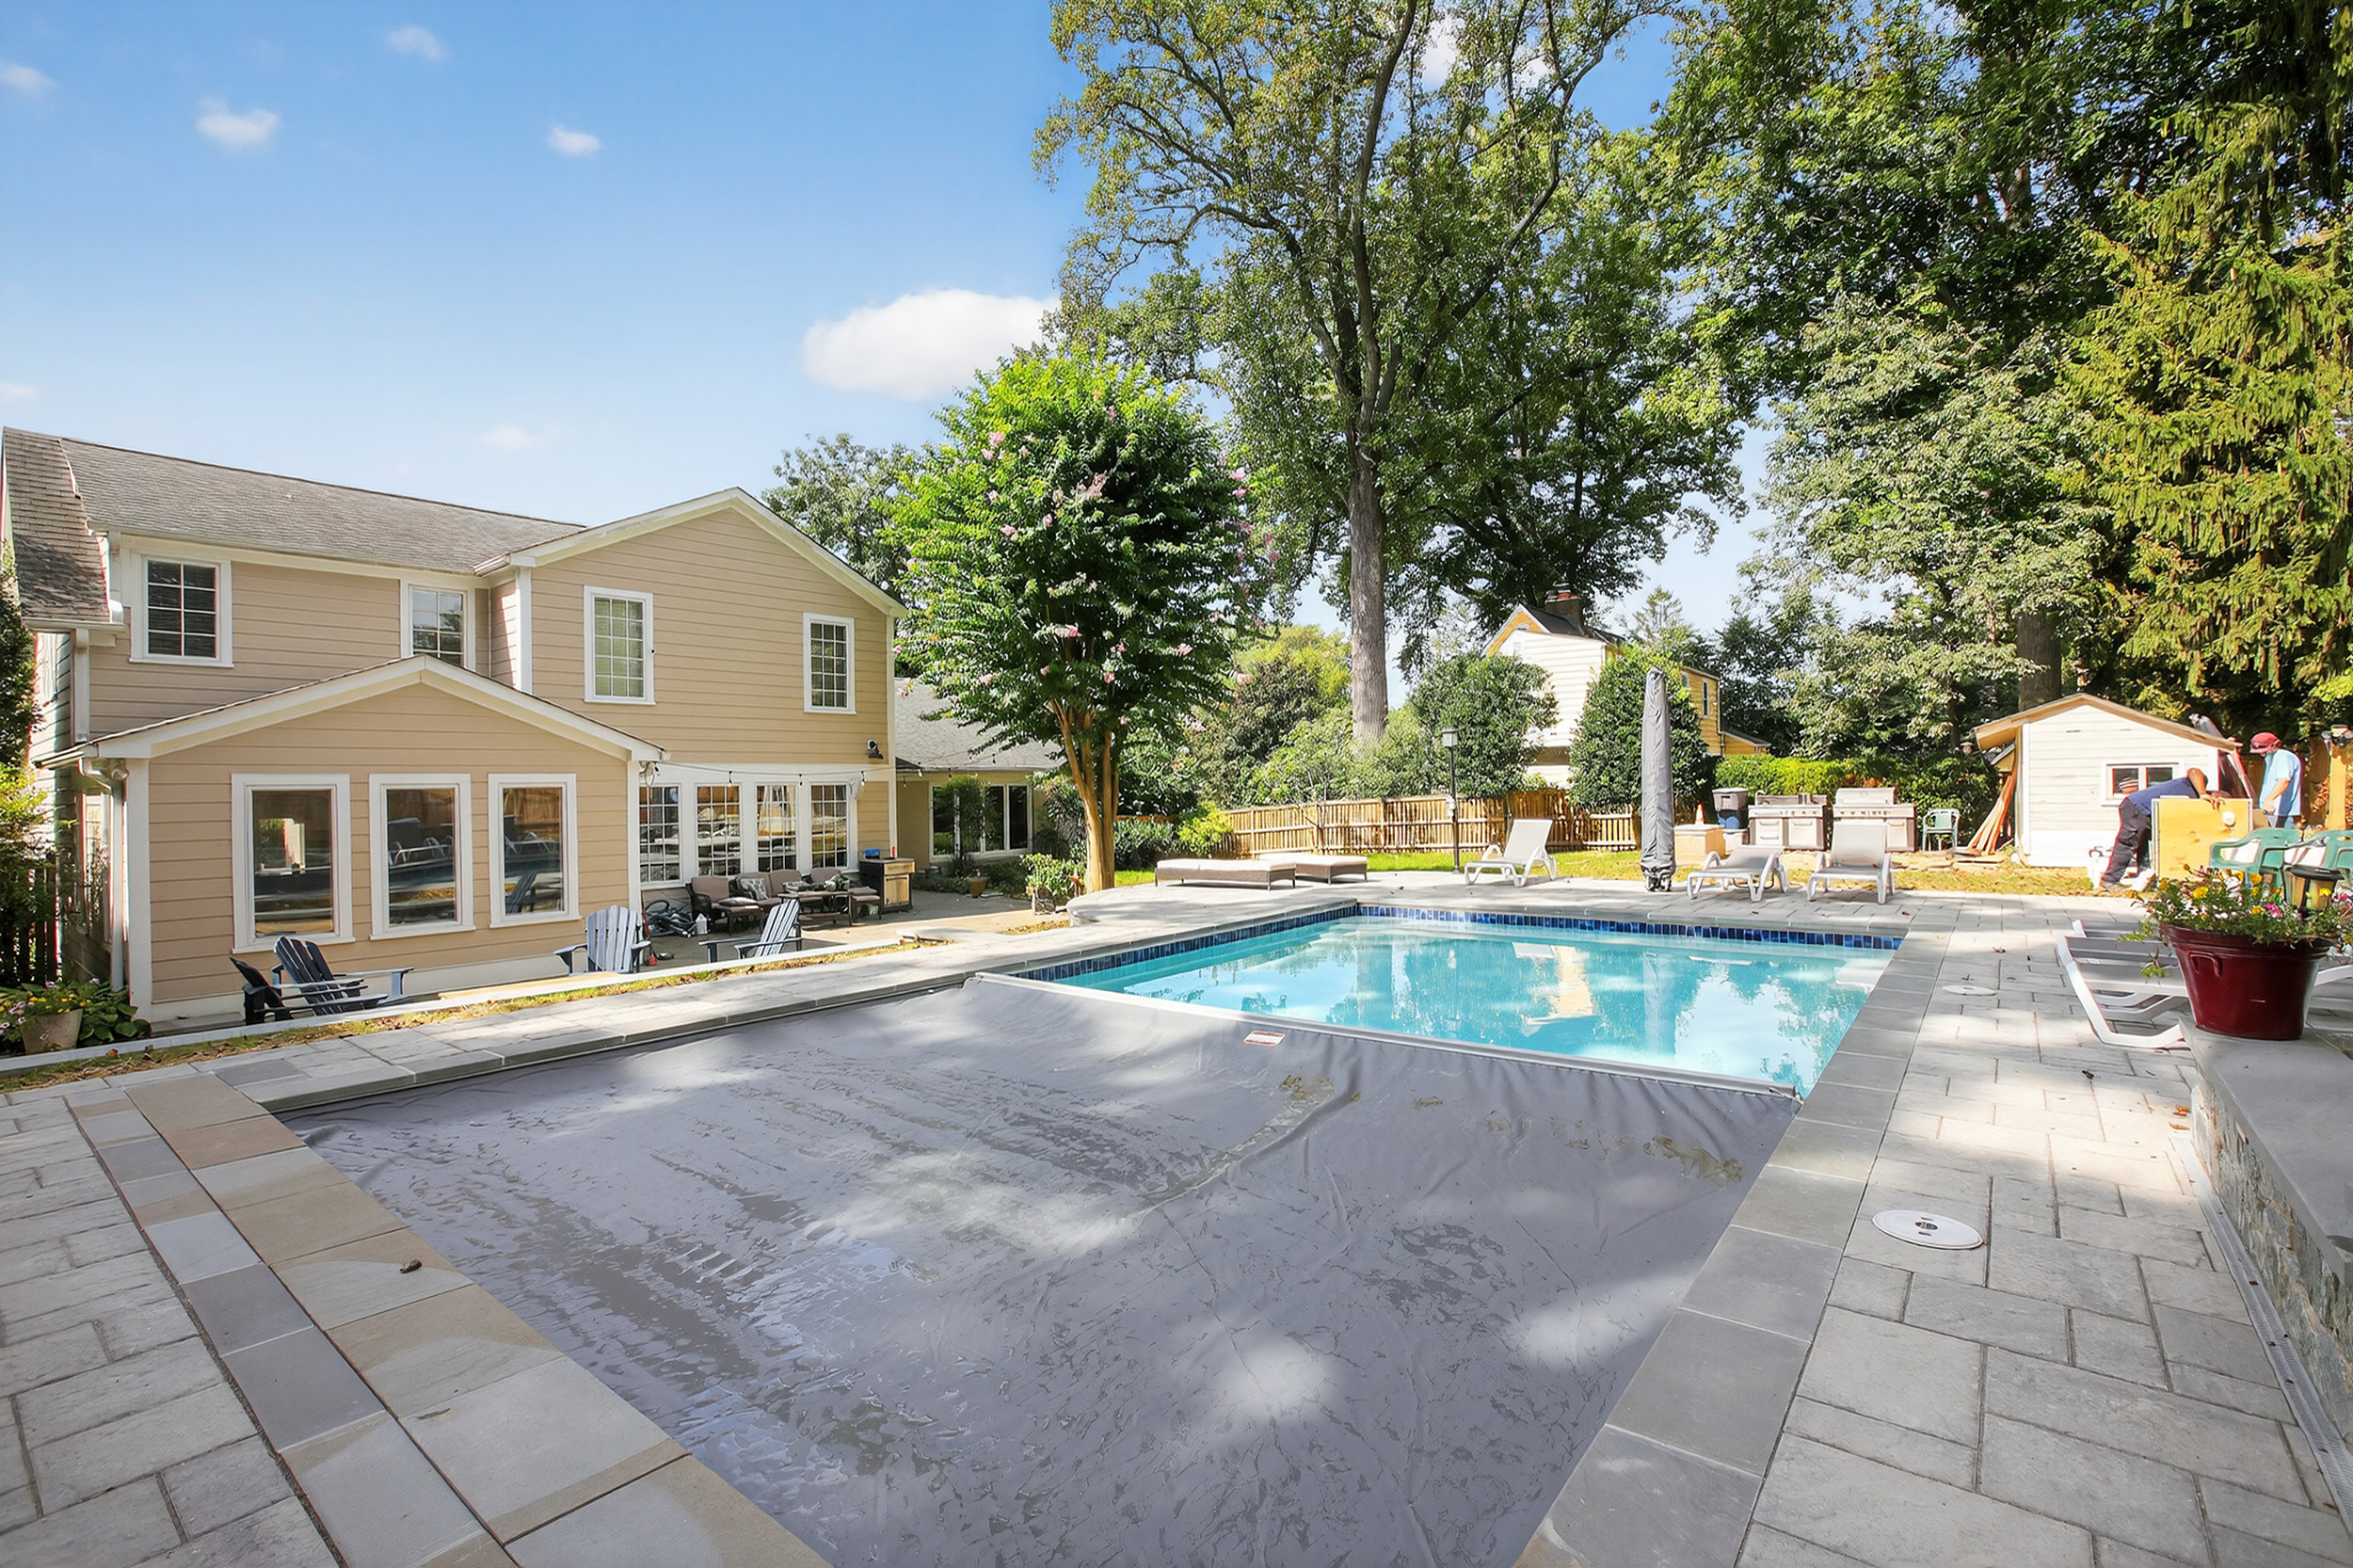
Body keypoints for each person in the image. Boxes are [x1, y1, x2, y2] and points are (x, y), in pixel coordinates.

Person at [2100, 767, 2213, 888]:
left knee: (2146, 848)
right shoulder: (2192, 785)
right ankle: (2109, 881)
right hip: (2136, 806)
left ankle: (2146, 882)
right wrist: (2203, 793)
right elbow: (2194, 771)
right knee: (2128, 843)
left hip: (2146, 811)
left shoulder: (2194, 798)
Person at [2249, 732, 2302, 827]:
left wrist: (2270, 799)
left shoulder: (2283, 757)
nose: (2261, 753)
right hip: (2271, 812)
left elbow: (2284, 780)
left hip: (2282, 813)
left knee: (2281, 836)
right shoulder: (2269, 757)